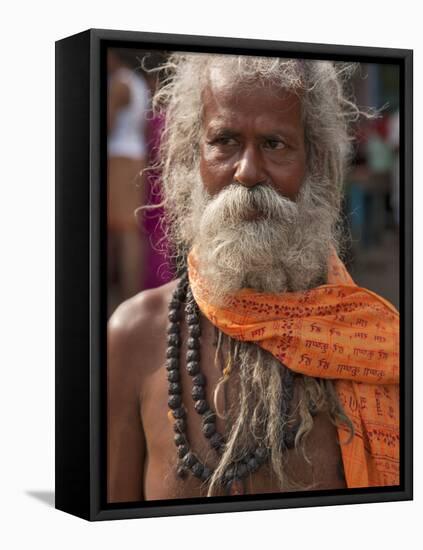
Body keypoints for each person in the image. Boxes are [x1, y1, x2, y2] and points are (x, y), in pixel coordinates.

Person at [107, 54, 400, 503]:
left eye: (275, 143)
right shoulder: (134, 335)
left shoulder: (373, 346)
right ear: (193, 155)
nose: (246, 172)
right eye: (224, 140)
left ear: (315, 162)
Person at [107, 49, 150, 308]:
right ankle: (129, 297)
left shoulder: (120, 82)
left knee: (120, 233)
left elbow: (106, 125)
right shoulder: (139, 83)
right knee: (130, 231)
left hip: (118, 159)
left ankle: (122, 297)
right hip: (136, 157)